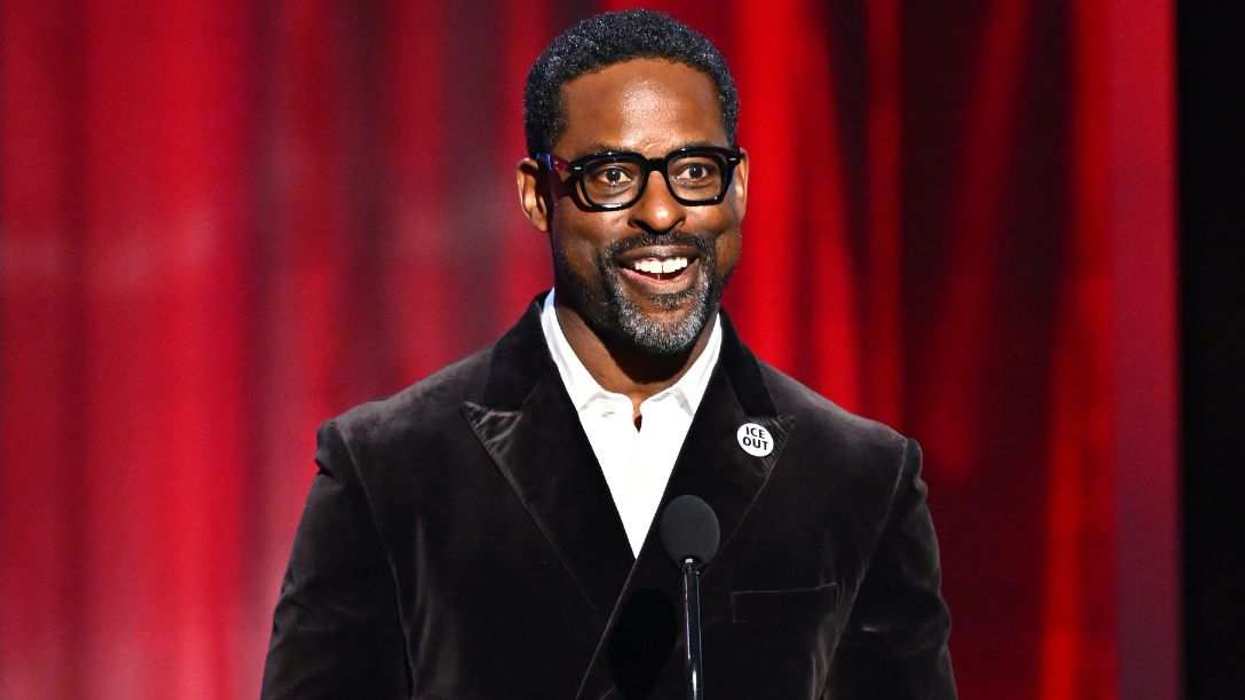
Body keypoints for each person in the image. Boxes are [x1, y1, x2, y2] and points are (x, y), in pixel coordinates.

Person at [261, 10, 955, 699]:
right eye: (613, 176)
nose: (660, 213)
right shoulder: (391, 470)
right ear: (538, 195)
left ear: (737, 186)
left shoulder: (858, 478)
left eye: (692, 169)